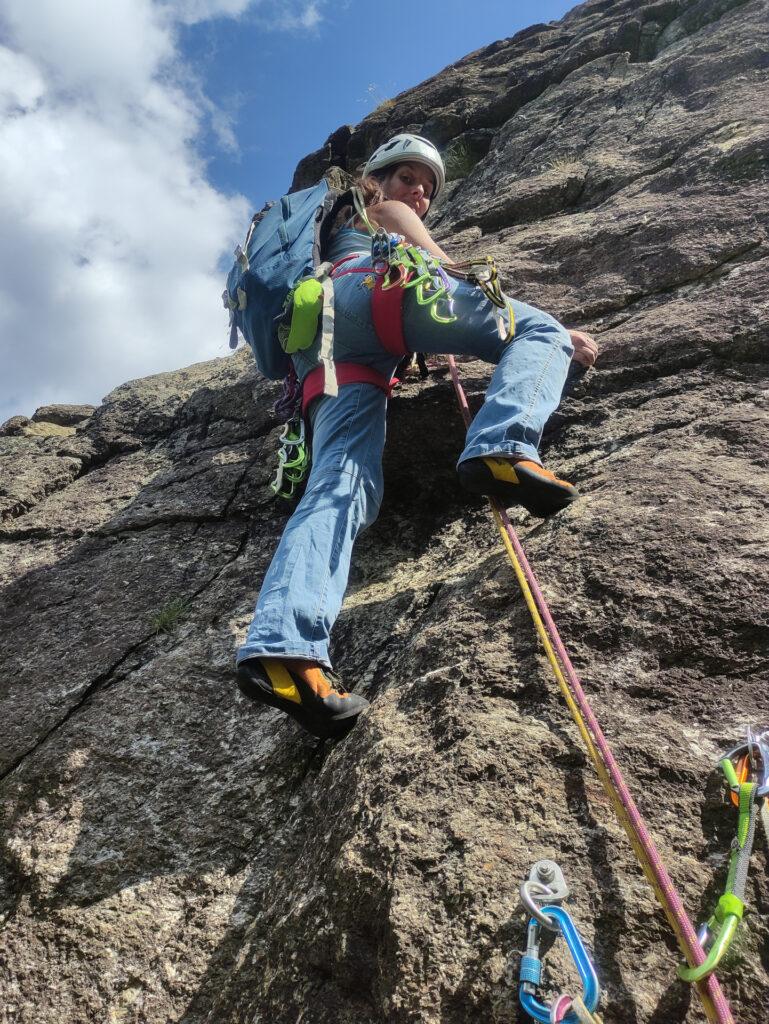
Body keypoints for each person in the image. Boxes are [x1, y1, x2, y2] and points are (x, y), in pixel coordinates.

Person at [236, 134, 597, 740]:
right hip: (373, 291)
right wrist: (447, 265)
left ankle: (285, 651)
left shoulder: (326, 225)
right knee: (539, 329)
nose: (419, 193)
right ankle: (503, 445)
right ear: (377, 176)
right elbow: (410, 236)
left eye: (427, 188)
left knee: (340, 485)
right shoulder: (371, 201)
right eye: (409, 177)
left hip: (321, 342)